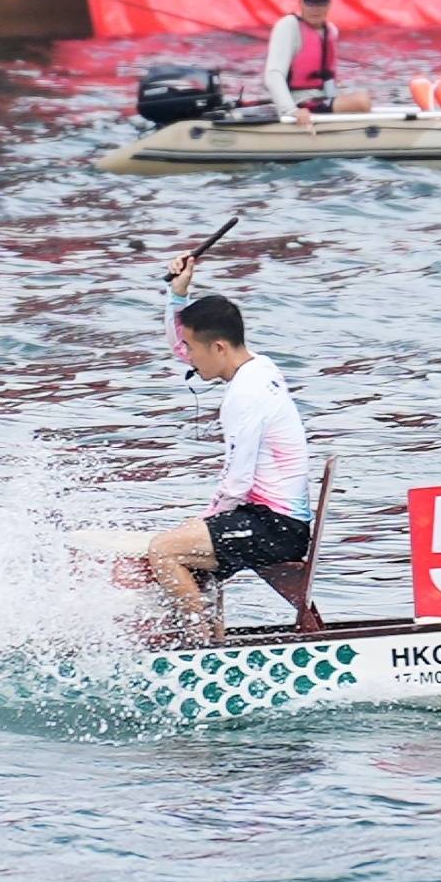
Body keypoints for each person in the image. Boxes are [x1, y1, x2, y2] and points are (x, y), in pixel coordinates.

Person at [139, 253, 313, 628]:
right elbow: (183, 344)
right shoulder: (259, 365)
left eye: (193, 350)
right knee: (190, 539)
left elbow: (237, 482)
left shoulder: (245, 395)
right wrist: (177, 296)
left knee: (164, 551)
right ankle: (209, 632)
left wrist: (204, 519)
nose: (187, 358)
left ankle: (199, 642)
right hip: (266, 518)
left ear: (218, 348)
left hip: (275, 528)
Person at [263, 0, 371, 123]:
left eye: (321, 3)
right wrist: (291, 110)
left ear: (329, 6)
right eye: (311, 3)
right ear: (301, 4)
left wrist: (336, 102)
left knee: (365, 97)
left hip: (319, 99)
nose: (316, 9)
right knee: (361, 101)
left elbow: (328, 78)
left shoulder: (330, 31)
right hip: (298, 101)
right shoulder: (288, 26)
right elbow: (273, 74)